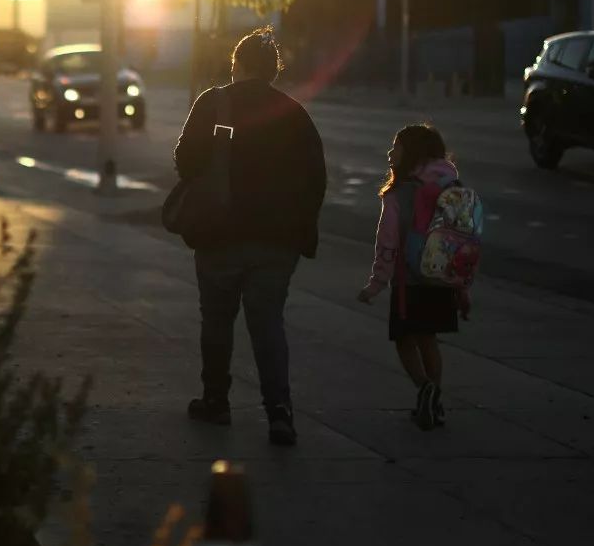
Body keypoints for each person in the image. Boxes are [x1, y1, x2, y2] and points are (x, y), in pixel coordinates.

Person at [173, 27, 326, 446]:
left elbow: (185, 161)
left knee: (217, 320)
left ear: (236, 65)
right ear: (274, 71)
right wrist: (299, 232)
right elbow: (316, 178)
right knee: (268, 324)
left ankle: (216, 402)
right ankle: (279, 413)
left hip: (219, 234)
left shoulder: (214, 102)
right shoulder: (294, 112)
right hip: (276, 242)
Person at [357, 124, 471, 430]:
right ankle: (435, 399)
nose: (391, 153)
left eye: (396, 148)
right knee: (429, 340)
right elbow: (460, 242)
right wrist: (461, 287)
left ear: (411, 155)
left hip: (409, 285)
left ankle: (425, 388)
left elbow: (387, 244)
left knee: (405, 341)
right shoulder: (451, 189)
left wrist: (376, 283)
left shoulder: (398, 195)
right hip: (441, 280)